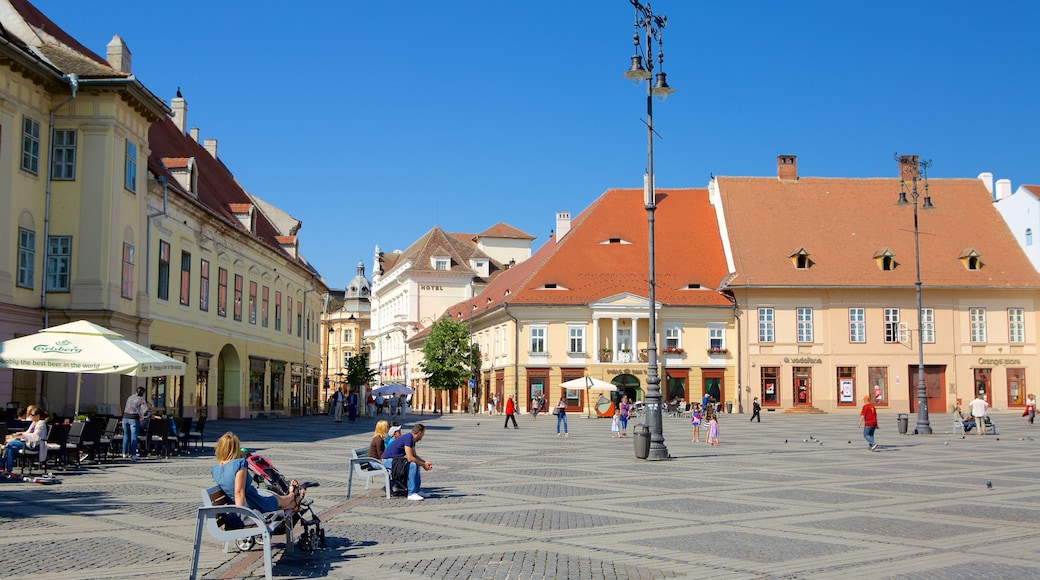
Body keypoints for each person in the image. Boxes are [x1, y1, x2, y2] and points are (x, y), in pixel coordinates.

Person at [212, 432, 303, 513]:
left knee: (276, 499)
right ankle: (293, 496)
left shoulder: (215, 469)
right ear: (236, 448)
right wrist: (240, 513)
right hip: (252, 502)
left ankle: (293, 501)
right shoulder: (239, 463)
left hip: (239, 503)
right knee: (277, 500)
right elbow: (239, 492)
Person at [381, 423, 432, 501]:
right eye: (423, 434)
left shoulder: (412, 440)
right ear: (419, 433)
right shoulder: (408, 438)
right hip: (387, 460)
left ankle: (417, 490)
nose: (423, 436)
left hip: (396, 461)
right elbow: (410, 458)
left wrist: (424, 463)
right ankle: (411, 493)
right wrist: (423, 465)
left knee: (416, 464)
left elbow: (414, 455)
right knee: (412, 465)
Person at [2, 408, 48, 476]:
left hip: (35, 445)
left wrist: (22, 434)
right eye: (30, 415)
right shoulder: (33, 423)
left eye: (33, 415)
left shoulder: (41, 423)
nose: (31, 416)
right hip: (28, 443)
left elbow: (35, 436)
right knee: (11, 448)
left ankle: (2, 465)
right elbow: (27, 433)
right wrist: (18, 435)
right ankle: (9, 470)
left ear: (38, 415)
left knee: (10, 443)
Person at [122, 386, 151, 461]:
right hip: (133, 419)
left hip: (125, 418)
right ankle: (133, 454)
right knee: (134, 436)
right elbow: (145, 410)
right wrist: (148, 415)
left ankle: (124, 453)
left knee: (126, 436)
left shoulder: (130, 397)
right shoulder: (141, 399)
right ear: (143, 393)